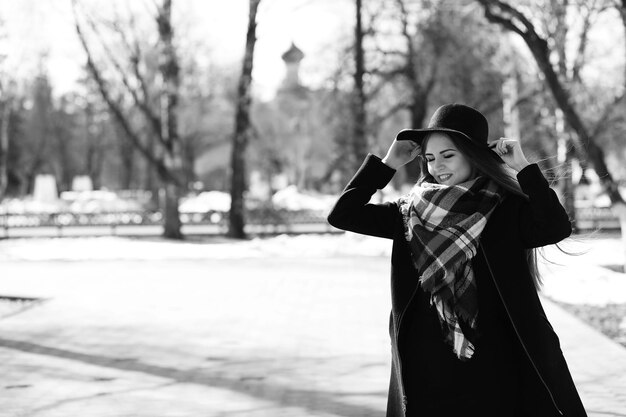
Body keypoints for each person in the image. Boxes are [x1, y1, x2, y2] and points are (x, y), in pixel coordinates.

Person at [327, 103, 587, 417]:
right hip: (427, 365)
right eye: (430, 158)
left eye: (448, 155)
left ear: (473, 154)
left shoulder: (506, 209)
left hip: (499, 363)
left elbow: (555, 226)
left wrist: (523, 168)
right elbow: (342, 215)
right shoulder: (407, 215)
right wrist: (387, 164)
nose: (438, 167)